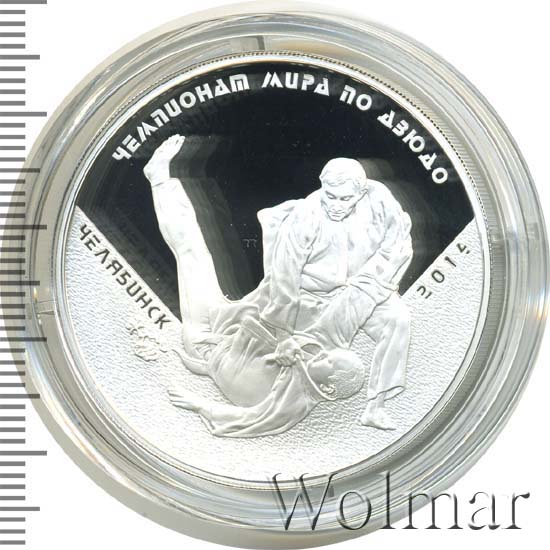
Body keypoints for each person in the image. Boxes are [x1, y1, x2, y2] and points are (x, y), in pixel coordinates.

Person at [144, 134, 413, 432]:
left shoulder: (380, 201)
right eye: (330, 196)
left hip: (213, 340)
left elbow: (398, 247)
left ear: (361, 193)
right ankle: (160, 181)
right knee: (193, 254)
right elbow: (286, 276)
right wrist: (285, 330)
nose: (336, 205)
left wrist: (199, 404)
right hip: (308, 294)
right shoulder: (307, 216)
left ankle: (376, 407)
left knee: (192, 255)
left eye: (345, 199)